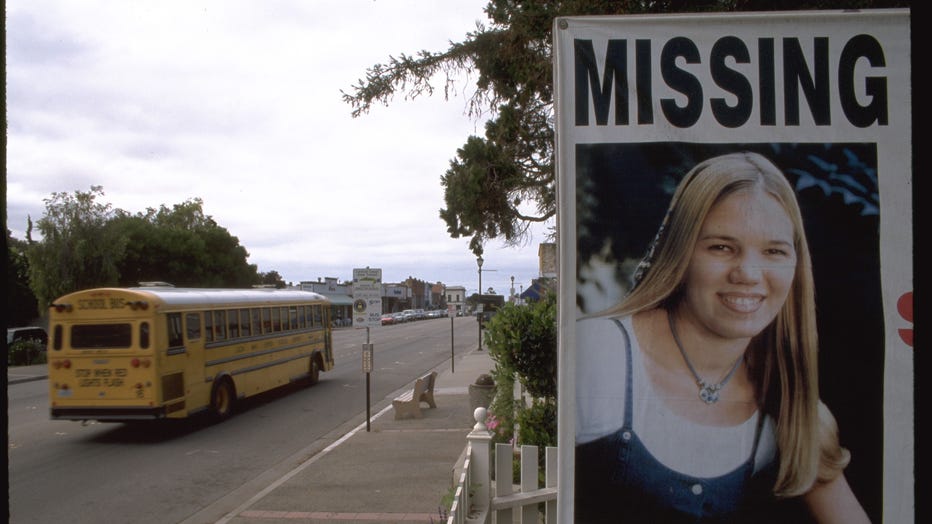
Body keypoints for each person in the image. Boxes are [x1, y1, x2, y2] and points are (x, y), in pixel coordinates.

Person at [574, 152, 869, 523]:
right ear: (680, 252)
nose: (748, 273)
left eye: (774, 251)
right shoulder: (600, 353)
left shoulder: (791, 407)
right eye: (722, 247)